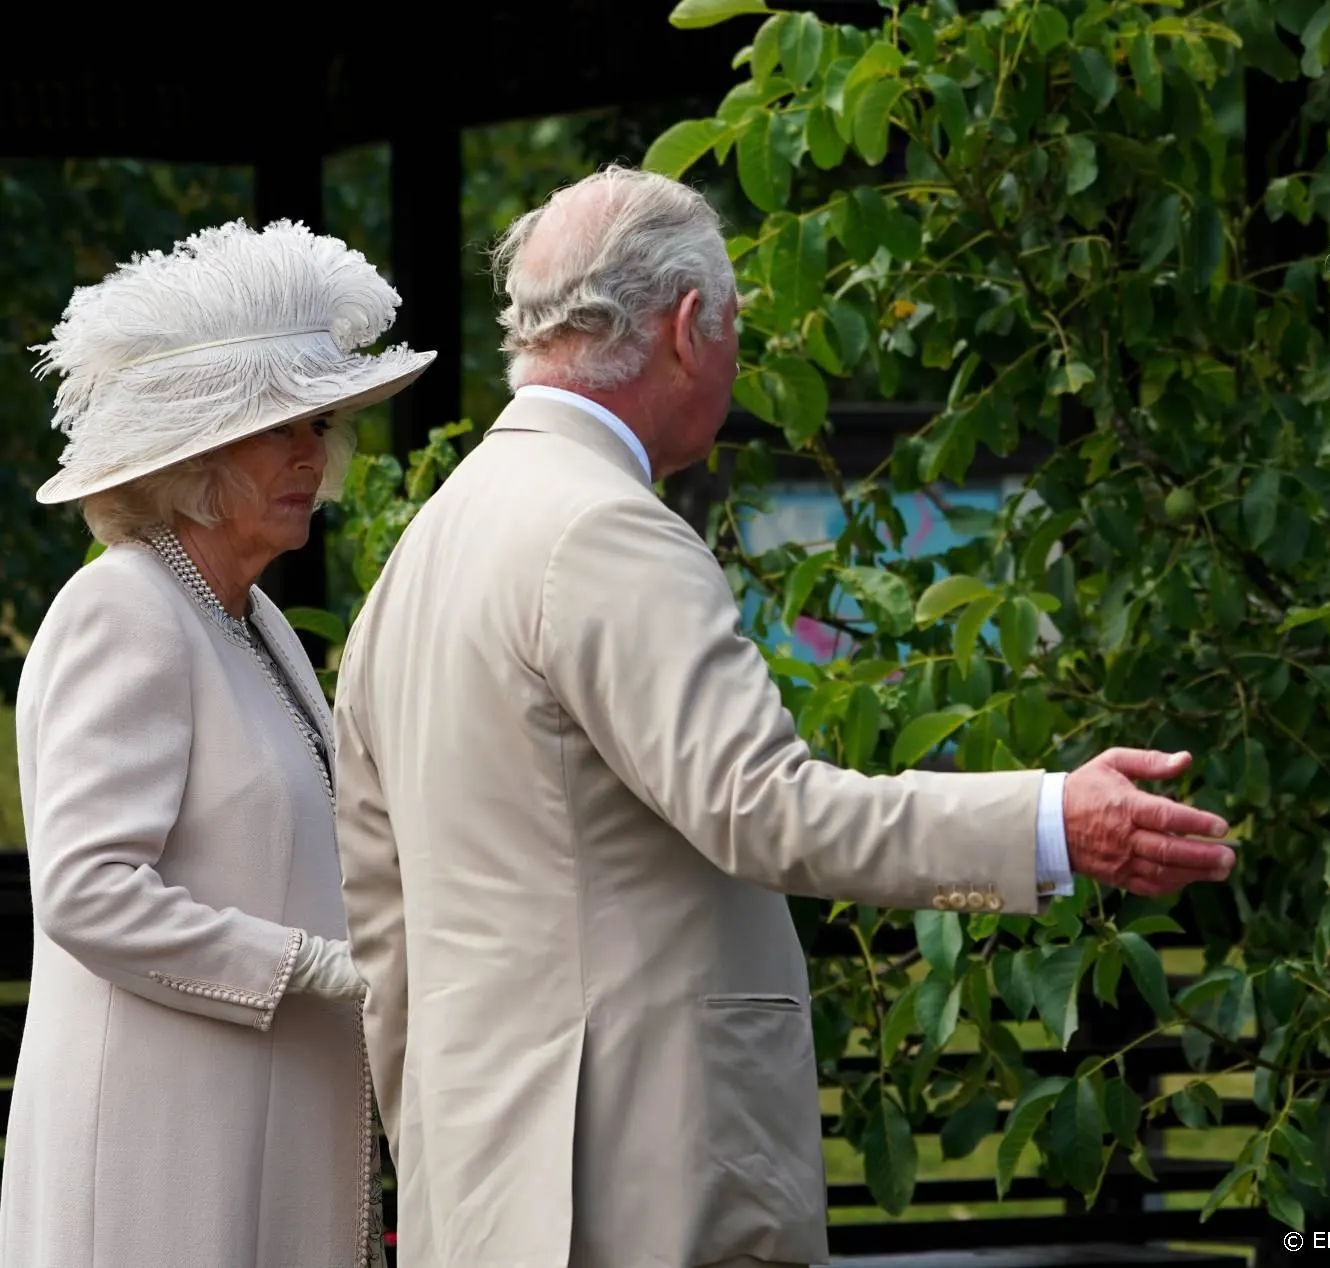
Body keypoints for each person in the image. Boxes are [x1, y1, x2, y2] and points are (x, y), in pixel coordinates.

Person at [329, 164, 1238, 1268]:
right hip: (643, 1182)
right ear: (688, 324)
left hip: (479, 1191)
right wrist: (1048, 822)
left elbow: (381, 920)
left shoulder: (422, 551)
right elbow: (764, 809)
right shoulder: (602, 528)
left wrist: (443, 1144)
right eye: (737, 325)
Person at [2, 219, 435, 1268]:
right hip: (164, 1159)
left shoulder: (244, 613)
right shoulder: (126, 609)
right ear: (189, 456)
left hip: (258, 1132)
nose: (311, 454)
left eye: (319, 424)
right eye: (274, 428)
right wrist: (321, 967)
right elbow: (90, 890)